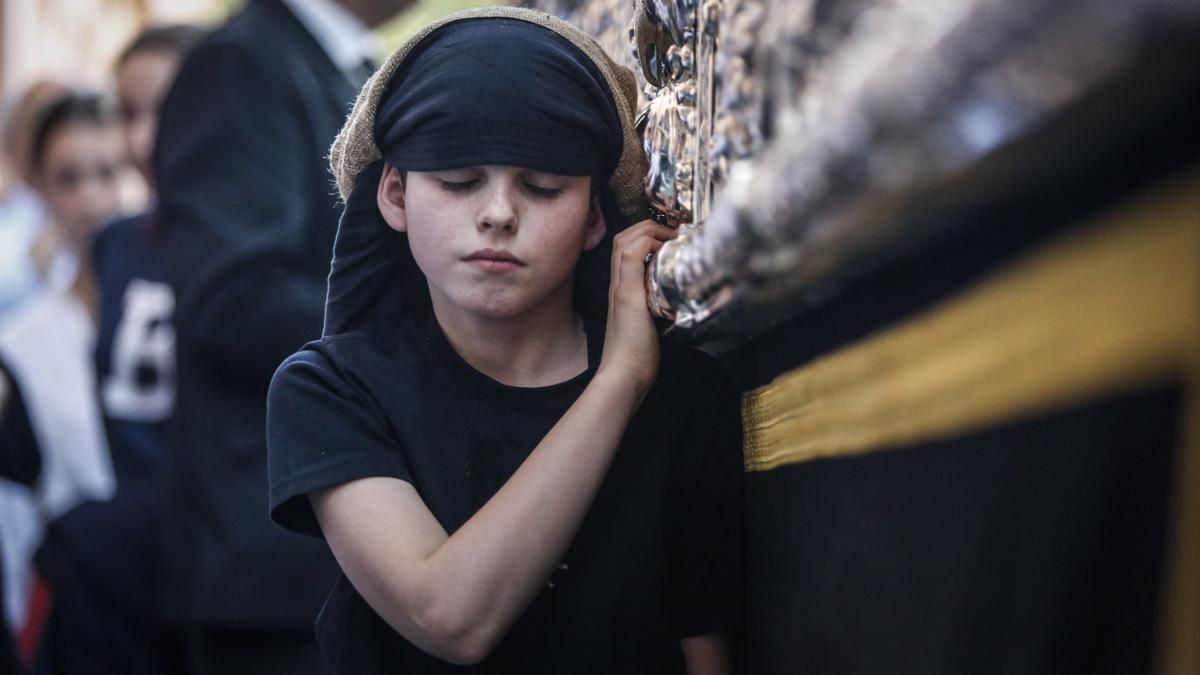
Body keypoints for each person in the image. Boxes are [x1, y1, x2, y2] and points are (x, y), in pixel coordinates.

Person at [266, 7, 744, 673]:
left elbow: (706, 651)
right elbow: (447, 616)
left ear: (593, 218)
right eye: (459, 181)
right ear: (397, 196)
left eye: (543, 186)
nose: (498, 213)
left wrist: (639, 376)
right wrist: (617, 382)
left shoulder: (685, 396)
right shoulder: (330, 389)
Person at [151, 1, 411, 671]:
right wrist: (432, 328)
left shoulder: (342, 63)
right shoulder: (241, 65)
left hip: (351, 555)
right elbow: (234, 300)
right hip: (279, 564)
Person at [0, 91, 126, 671]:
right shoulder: (21, 344)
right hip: (78, 614)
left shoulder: (180, 319)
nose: (92, 199)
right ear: (41, 190)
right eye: (68, 179)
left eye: (107, 172)